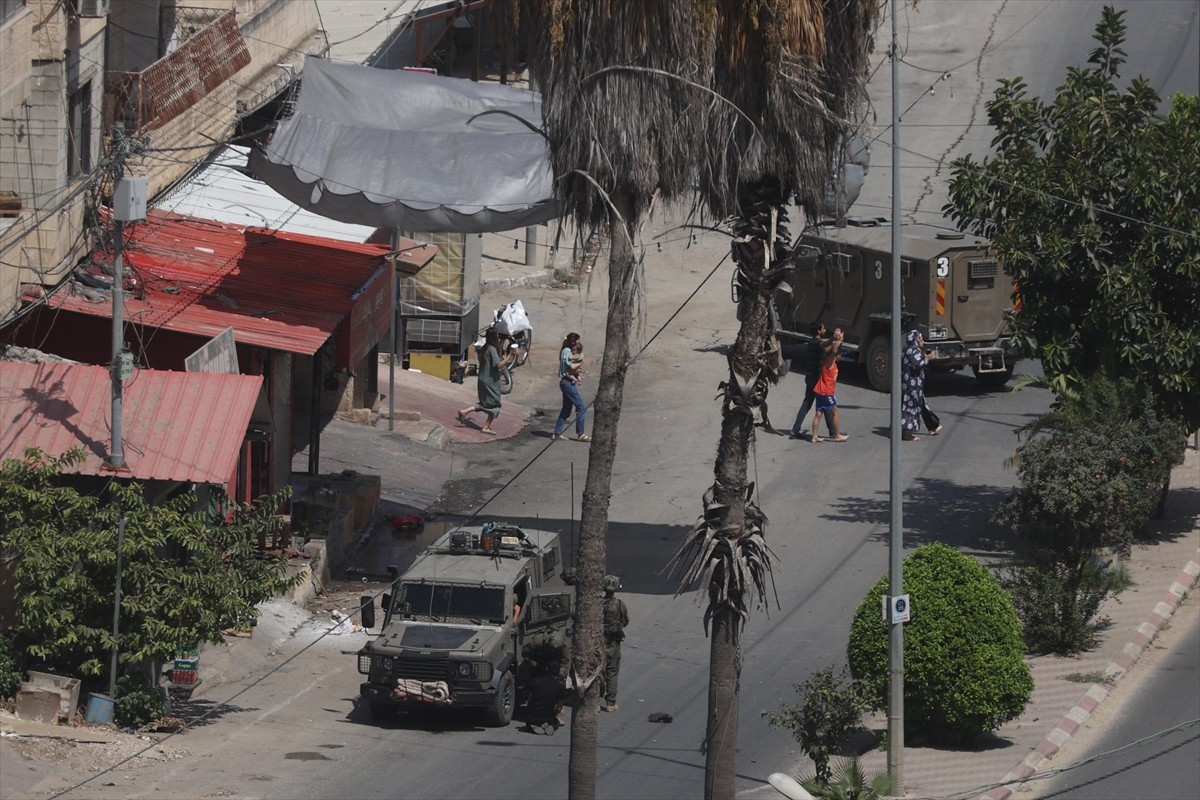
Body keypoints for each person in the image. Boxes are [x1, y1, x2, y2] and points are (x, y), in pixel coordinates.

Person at [457, 328, 518, 435]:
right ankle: (486, 427)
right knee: (495, 404)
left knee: (485, 403)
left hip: (483, 380)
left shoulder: (485, 348)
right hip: (490, 381)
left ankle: (465, 411)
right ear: (495, 337)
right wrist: (510, 356)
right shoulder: (492, 350)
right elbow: (498, 365)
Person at [791, 321, 837, 439]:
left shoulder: (813, 344)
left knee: (809, 403)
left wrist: (837, 342)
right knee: (824, 404)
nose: (825, 330)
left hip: (811, 377)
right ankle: (832, 432)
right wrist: (833, 338)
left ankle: (796, 429)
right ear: (818, 331)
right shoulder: (815, 343)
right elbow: (824, 345)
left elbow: (826, 349)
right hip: (816, 379)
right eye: (823, 328)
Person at [901, 329, 942, 440]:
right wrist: (928, 358)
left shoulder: (906, 349)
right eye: (921, 339)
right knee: (912, 407)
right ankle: (907, 433)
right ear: (916, 340)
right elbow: (918, 365)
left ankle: (933, 426)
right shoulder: (914, 351)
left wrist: (924, 356)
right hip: (913, 385)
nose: (923, 342)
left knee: (919, 404)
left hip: (908, 383)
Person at [812, 328, 850, 443]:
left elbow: (834, 350)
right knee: (835, 413)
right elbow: (834, 351)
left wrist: (839, 341)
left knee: (818, 414)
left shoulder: (828, 362)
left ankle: (814, 436)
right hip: (826, 392)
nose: (839, 356)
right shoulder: (829, 362)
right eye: (839, 354)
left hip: (820, 391)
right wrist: (838, 339)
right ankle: (837, 435)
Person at [551, 332, 590, 441]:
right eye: (577, 341)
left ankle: (557, 432)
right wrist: (581, 363)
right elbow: (571, 366)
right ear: (573, 342)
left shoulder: (566, 351)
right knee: (581, 407)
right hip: (567, 382)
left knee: (566, 409)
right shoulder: (567, 351)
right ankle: (580, 433)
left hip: (566, 382)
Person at [601, 574, 629, 712]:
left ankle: (594, 702)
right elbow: (626, 621)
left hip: (599, 642)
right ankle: (610, 703)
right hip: (613, 643)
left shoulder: (598, 603)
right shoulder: (619, 604)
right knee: (612, 672)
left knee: (597, 672)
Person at [525, 660, 567, 732]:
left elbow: (529, 701)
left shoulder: (535, 681)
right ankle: (550, 726)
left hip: (531, 718)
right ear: (558, 671)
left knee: (531, 720)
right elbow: (559, 709)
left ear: (547, 669)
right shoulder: (560, 687)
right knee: (557, 722)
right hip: (548, 718)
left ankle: (535, 725)